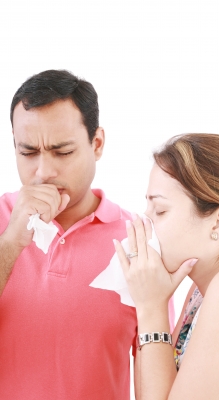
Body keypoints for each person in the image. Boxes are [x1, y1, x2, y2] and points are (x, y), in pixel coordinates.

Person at [0, 69, 139, 400]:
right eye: (28, 152)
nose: (44, 172)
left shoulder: (138, 240)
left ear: (97, 144)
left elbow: (158, 375)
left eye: (62, 152)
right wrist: (10, 244)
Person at [114, 133, 219, 400]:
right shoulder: (202, 290)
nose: (145, 223)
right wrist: (150, 305)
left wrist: (151, 308)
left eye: (160, 211)